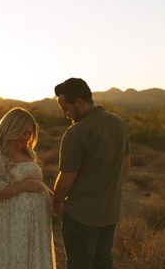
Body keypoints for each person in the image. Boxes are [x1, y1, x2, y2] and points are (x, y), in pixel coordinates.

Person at [53, 78, 130, 269]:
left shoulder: (76, 132)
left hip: (81, 217)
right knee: (103, 264)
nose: (66, 114)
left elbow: (64, 182)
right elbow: (125, 168)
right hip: (110, 213)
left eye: (66, 108)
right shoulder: (118, 123)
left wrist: (56, 204)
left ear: (79, 102)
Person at [0, 107, 56, 269]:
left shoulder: (26, 153)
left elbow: (34, 181)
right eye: (23, 132)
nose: (26, 138)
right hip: (4, 224)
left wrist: (52, 196)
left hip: (32, 226)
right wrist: (22, 186)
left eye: (29, 133)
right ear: (11, 128)